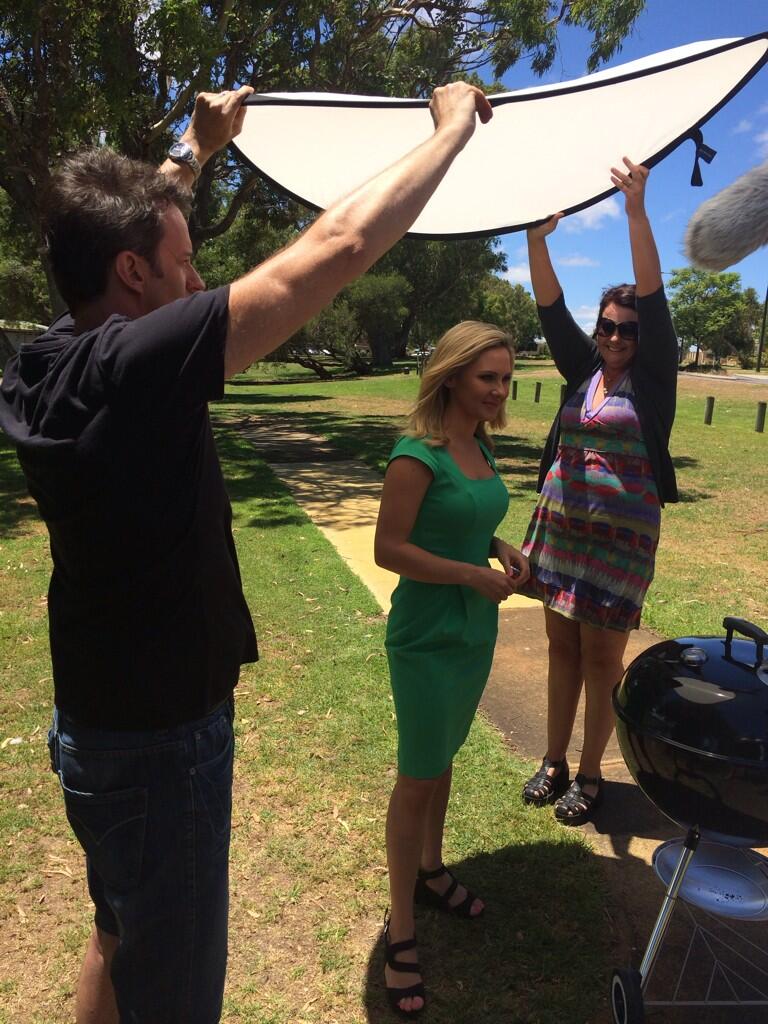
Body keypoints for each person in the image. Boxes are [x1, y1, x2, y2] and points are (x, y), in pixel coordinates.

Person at [0, 83, 493, 1024]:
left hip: (95, 725)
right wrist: (453, 131)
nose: (198, 283)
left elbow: (115, 229)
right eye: (185, 264)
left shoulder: (45, 363)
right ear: (132, 274)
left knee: (117, 931)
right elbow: (336, 250)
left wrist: (194, 150)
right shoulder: (137, 365)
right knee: (176, 992)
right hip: (163, 747)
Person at [374, 321, 530, 1016]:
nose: (499, 390)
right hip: (427, 637)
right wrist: (470, 573)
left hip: (473, 631)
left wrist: (496, 546)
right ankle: (401, 930)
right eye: (487, 377)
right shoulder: (417, 455)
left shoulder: (478, 443)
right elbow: (389, 549)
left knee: (443, 759)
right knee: (417, 774)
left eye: (506, 378)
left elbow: (463, 518)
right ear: (452, 376)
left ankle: (432, 870)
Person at [519, 158, 678, 826]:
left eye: (627, 328)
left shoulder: (654, 379)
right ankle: (553, 761)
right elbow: (551, 308)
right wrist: (536, 241)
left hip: (618, 547)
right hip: (561, 533)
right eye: (607, 326)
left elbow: (654, 296)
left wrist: (636, 212)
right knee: (560, 651)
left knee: (601, 660)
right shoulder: (583, 371)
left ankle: (590, 774)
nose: (615, 336)